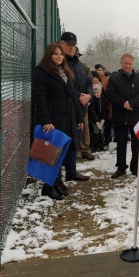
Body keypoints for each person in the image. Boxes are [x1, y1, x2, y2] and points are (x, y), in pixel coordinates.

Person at [32, 43, 85, 199]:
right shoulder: (41, 72)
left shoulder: (64, 72)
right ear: (49, 55)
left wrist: (79, 116)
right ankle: (48, 186)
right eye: (55, 54)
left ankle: (57, 182)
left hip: (67, 116)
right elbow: (39, 99)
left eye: (61, 54)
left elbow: (72, 96)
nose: (59, 57)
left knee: (61, 151)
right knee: (51, 153)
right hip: (53, 117)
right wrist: (46, 121)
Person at [106, 53, 139, 178]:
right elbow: (110, 94)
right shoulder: (114, 78)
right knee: (121, 143)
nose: (128, 66)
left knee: (136, 144)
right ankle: (121, 167)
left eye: (130, 63)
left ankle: (135, 168)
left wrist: (131, 103)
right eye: (125, 63)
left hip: (135, 115)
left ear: (134, 64)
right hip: (120, 115)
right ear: (121, 63)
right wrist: (123, 103)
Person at [59, 32, 95, 163]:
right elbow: (63, 85)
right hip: (66, 106)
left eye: (74, 45)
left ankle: (77, 159)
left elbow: (89, 82)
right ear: (61, 44)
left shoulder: (80, 65)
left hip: (81, 105)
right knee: (67, 134)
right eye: (69, 44)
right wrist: (80, 96)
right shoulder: (60, 63)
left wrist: (89, 95)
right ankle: (64, 161)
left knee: (80, 131)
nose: (72, 47)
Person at [88, 86, 108, 152]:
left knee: (101, 130)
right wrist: (96, 121)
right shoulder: (92, 101)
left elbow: (105, 110)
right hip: (94, 120)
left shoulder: (104, 100)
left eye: (97, 93)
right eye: (94, 93)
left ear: (100, 92)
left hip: (101, 119)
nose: (96, 94)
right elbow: (92, 112)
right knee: (96, 130)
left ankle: (101, 145)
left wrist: (103, 119)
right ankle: (94, 146)